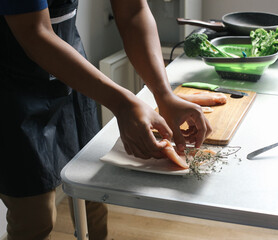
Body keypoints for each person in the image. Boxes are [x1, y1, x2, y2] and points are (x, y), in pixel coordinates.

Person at [0, 0, 212, 239]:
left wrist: (164, 94)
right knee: (34, 217)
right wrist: (122, 103)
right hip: (11, 85)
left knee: (93, 193)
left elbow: (133, 10)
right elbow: (34, 32)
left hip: (73, 71)